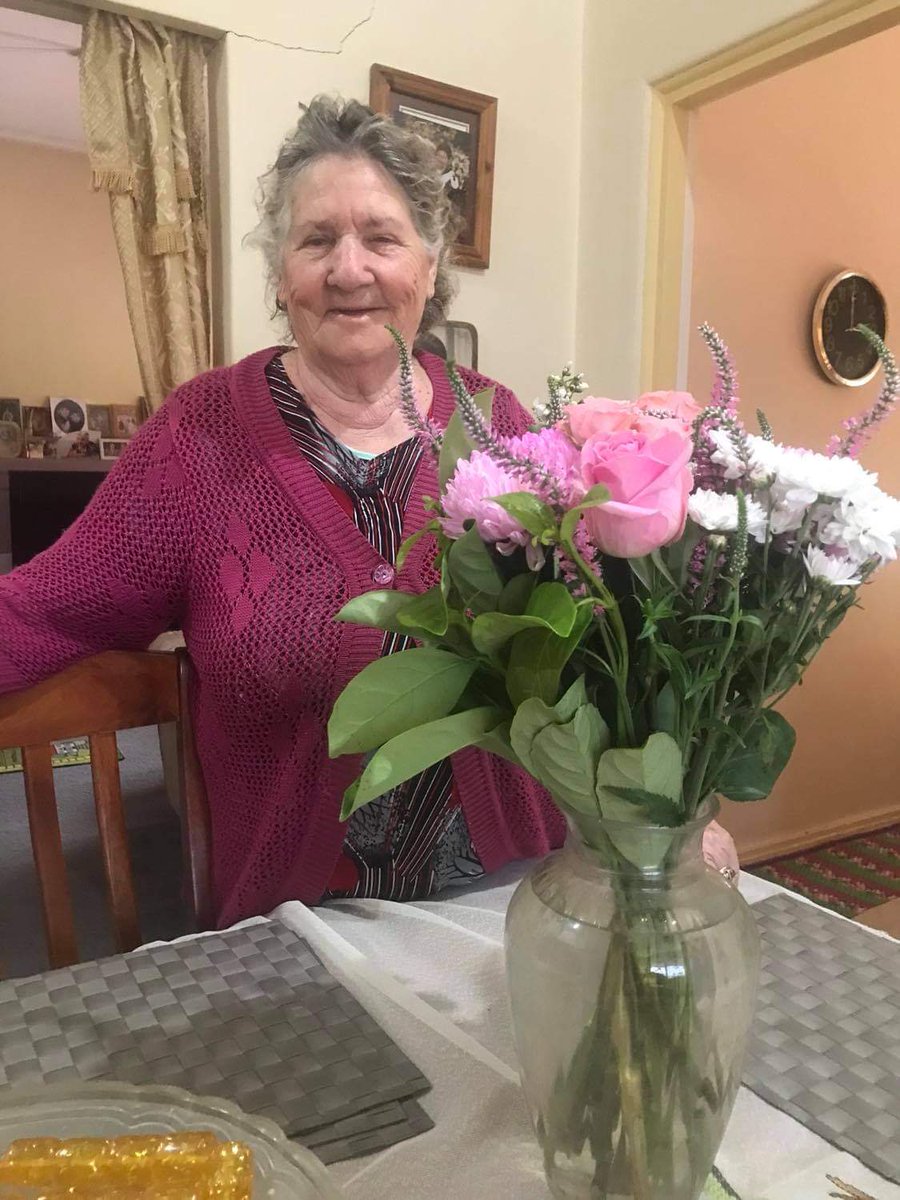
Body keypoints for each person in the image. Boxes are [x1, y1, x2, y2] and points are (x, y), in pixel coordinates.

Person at [0, 96, 738, 926]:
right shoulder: (199, 437)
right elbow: (43, 611)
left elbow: (605, 647)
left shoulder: (498, 426)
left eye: (381, 239)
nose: (349, 270)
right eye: (317, 240)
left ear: (429, 264)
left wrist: (669, 807)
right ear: (281, 272)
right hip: (296, 921)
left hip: (515, 897)